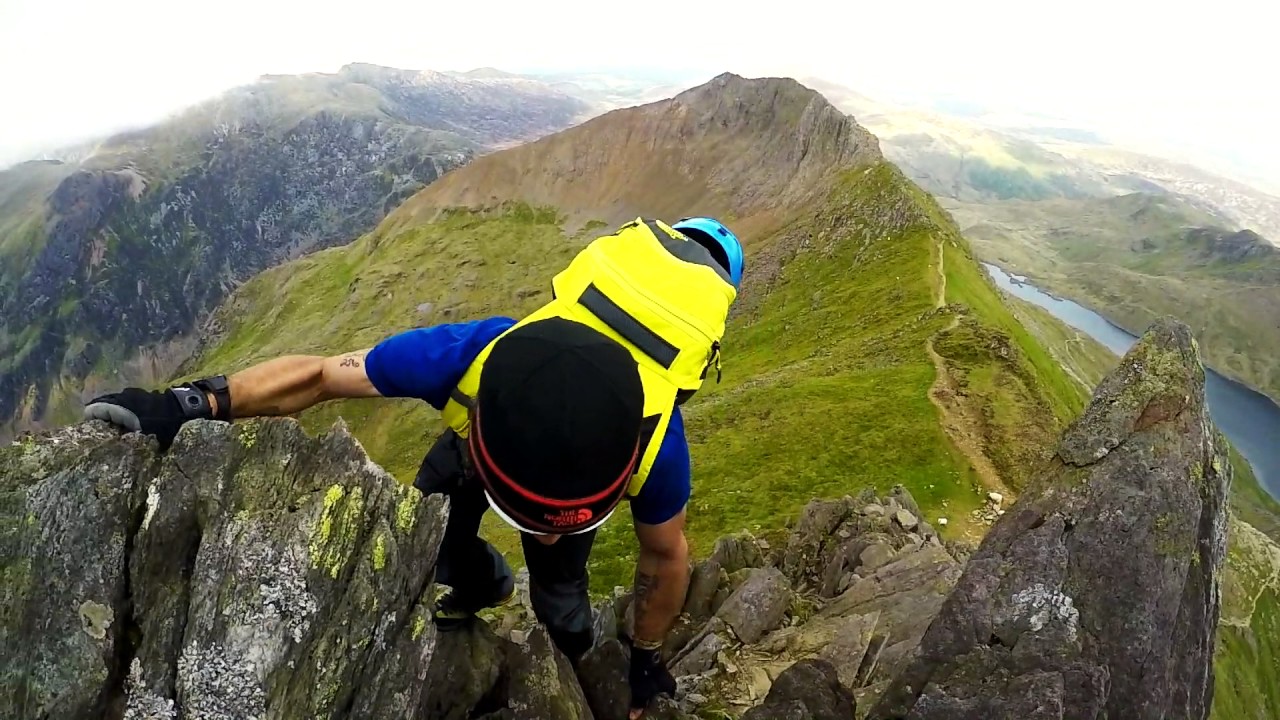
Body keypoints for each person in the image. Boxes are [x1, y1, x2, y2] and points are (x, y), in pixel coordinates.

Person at [83, 215, 744, 719]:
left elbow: (319, 376)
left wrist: (642, 659)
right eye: (532, 519)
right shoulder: (639, 436)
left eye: (554, 523)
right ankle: (495, 584)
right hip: (480, 455)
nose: (539, 533)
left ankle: (560, 633)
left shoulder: (480, 356)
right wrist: (192, 403)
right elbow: (663, 560)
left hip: (479, 451)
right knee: (459, 558)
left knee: (557, 606)